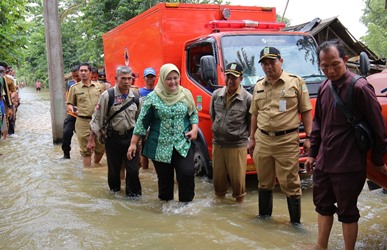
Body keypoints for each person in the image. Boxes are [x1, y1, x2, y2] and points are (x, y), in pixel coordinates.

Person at [304, 39, 387, 250]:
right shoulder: (324, 87)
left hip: (349, 163)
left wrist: (378, 161)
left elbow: (378, 129)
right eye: (325, 66)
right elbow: (318, 124)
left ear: (345, 60)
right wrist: (313, 154)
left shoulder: (359, 87)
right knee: (322, 206)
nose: (330, 70)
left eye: (335, 64)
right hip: (324, 161)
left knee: (347, 211)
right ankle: (320, 246)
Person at [248, 46, 312, 224]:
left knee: (290, 183)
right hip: (263, 140)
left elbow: (306, 111)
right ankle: (264, 220)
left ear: (281, 61)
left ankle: (295, 224)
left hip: (286, 141)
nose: (268, 67)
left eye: (272, 62)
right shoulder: (258, 85)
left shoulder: (296, 82)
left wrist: (309, 137)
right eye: (264, 64)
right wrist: (251, 138)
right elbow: (254, 114)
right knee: (263, 182)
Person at [127, 63, 198, 203]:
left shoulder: (186, 94)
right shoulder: (153, 98)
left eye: (175, 78)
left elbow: (193, 113)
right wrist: (133, 143)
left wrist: (194, 128)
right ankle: (166, 211)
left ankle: (185, 207)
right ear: (162, 80)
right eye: (169, 78)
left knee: (187, 174)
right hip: (160, 146)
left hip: (182, 143)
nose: (173, 82)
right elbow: (142, 122)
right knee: (165, 181)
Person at [88, 66, 142, 197]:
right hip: (113, 139)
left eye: (129, 78)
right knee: (114, 170)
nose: (126, 81)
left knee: (133, 170)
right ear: (116, 79)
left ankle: (133, 197)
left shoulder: (135, 97)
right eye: (123, 78)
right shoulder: (107, 96)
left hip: (131, 139)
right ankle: (114, 195)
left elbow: (140, 120)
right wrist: (91, 140)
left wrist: (140, 139)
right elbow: (97, 119)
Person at [210, 62, 252, 203]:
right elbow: (213, 116)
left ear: (241, 78)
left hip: (237, 145)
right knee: (218, 184)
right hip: (218, 144)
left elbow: (251, 123)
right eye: (228, 76)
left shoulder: (247, 98)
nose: (230, 81)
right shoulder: (216, 95)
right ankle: (220, 210)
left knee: (238, 185)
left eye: (234, 77)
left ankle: (239, 210)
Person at [67, 62, 105, 167]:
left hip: (98, 121)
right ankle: (88, 172)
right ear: (79, 73)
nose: (83, 73)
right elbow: (69, 104)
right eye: (81, 71)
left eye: (85, 71)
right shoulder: (74, 88)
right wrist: (73, 109)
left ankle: (96, 165)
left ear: (90, 73)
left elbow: (105, 102)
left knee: (101, 147)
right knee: (85, 150)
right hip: (83, 122)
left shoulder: (99, 86)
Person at [138, 67, 157, 169]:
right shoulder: (139, 92)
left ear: (155, 78)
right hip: (144, 125)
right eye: (148, 77)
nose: (150, 79)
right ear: (144, 78)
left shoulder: (158, 92)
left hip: (155, 125)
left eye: (152, 77)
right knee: (143, 151)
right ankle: (145, 170)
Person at [61, 65, 81, 159]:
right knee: (66, 133)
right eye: (74, 76)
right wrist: (71, 108)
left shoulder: (91, 85)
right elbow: (68, 101)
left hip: (85, 115)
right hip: (73, 114)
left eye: (77, 76)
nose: (76, 78)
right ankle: (66, 155)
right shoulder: (71, 85)